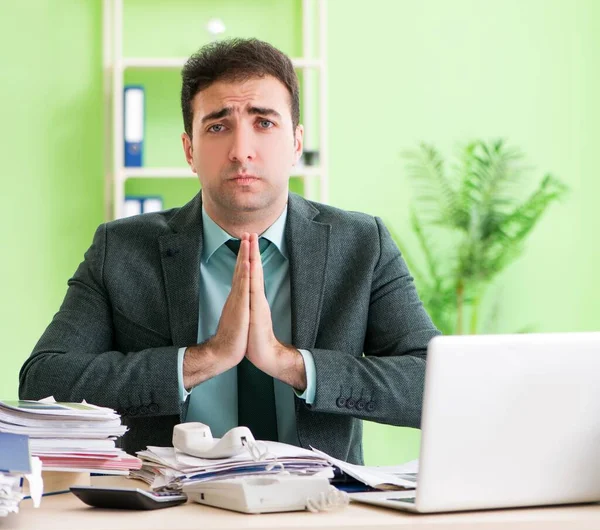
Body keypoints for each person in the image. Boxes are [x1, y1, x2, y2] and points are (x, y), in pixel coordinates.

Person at [19, 38, 440, 464]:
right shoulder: (121, 249)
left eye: (264, 123)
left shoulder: (363, 243)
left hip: (317, 506)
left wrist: (292, 364)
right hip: (169, 510)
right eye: (218, 127)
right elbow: (43, 381)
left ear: (296, 143)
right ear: (190, 151)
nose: (241, 151)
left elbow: (433, 382)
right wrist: (201, 360)